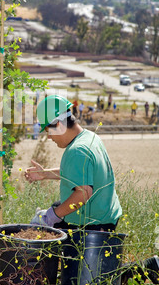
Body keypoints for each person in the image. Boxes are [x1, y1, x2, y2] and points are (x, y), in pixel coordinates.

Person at [25, 94, 122, 231]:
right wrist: (45, 174)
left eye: (48, 131)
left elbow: (82, 194)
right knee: (56, 206)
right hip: (106, 216)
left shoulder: (77, 151)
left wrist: (50, 217)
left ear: (58, 125)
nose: (49, 137)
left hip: (92, 226)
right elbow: (81, 173)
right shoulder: (90, 137)